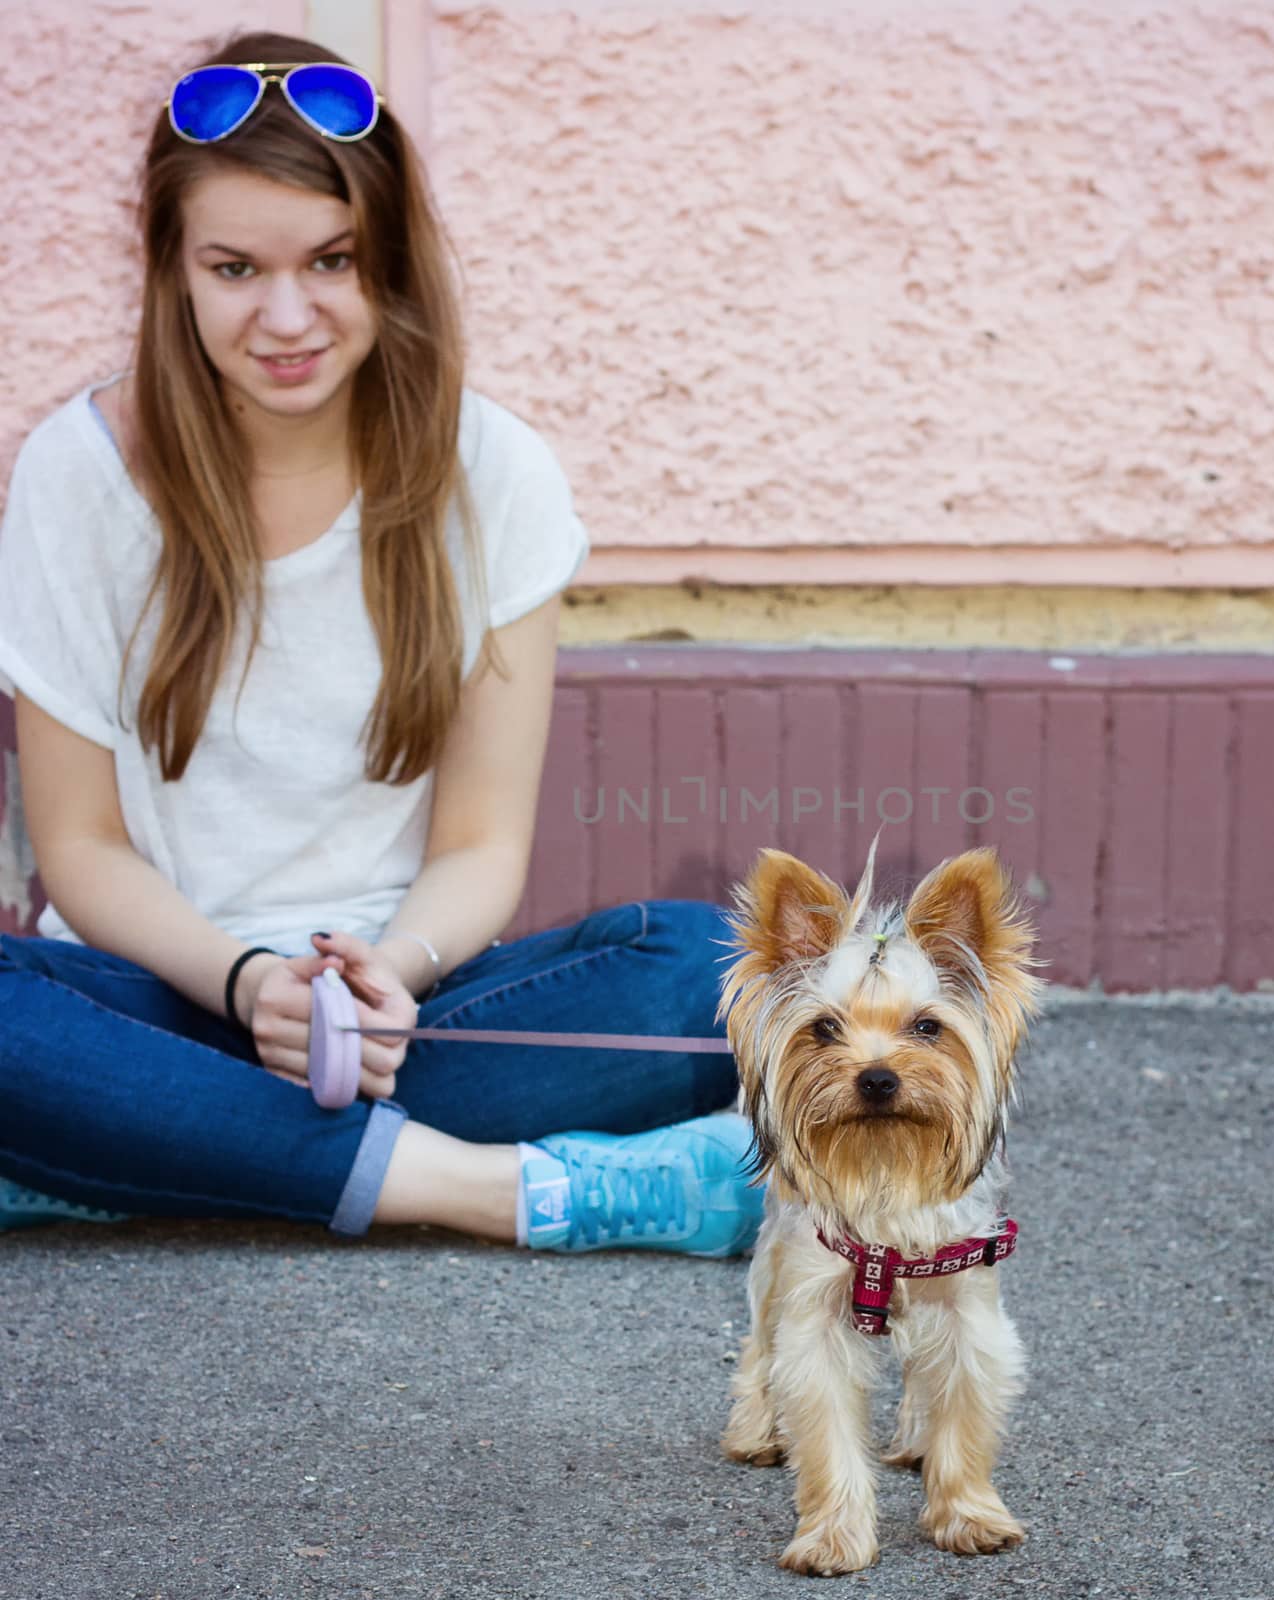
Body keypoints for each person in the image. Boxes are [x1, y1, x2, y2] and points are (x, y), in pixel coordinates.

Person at [0, 32, 763, 1256]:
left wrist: (392, 974)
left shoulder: (493, 472)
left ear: (388, 263)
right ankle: (506, 1191)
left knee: (713, 974)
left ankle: (122, 1155)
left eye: (332, 261)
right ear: (173, 272)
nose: (287, 315)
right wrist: (252, 983)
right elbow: (80, 847)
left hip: (412, 1016)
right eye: (236, 267)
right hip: (147, 1000)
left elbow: (477, 844)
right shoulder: (77, 475)